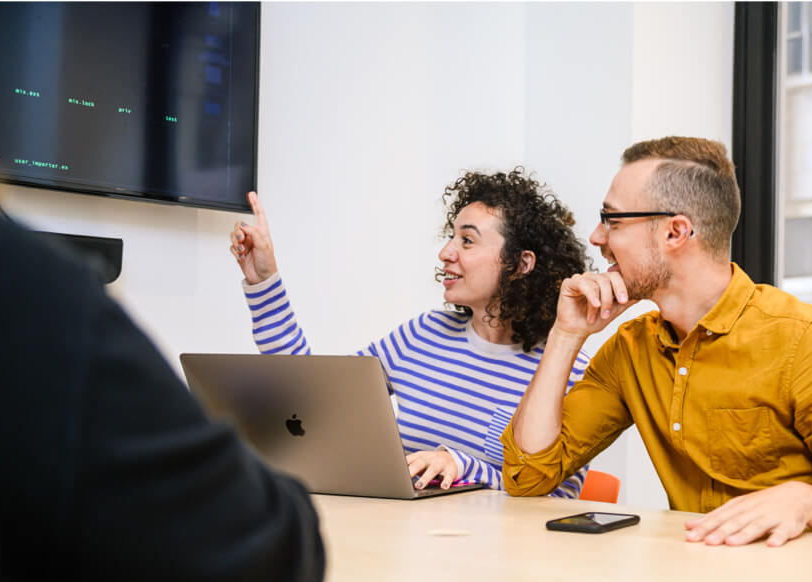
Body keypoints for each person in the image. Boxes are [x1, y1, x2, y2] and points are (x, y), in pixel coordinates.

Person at [502, 136, 812, 545]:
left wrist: (809, 501)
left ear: (675, 232)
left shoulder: (807, 341)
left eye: (612, 220)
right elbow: (528, 476)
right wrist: (566, 334)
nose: (597, 237)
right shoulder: (632, 349)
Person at [0, 213, 325, 582]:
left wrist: (448, 454)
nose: (444, 252)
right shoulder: (413, 336)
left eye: (449, 237)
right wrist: (265, 285)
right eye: (445, 235)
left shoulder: (28, 292)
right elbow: (322, 389)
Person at [230, 168, 592, 495]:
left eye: (467, 241)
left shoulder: (567, 371)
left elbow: (557, 500)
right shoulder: (423, 334)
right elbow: (312, 397)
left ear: (521, 264)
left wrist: (466, 467)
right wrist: (264, 281)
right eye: (452, 237)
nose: (446, 253)